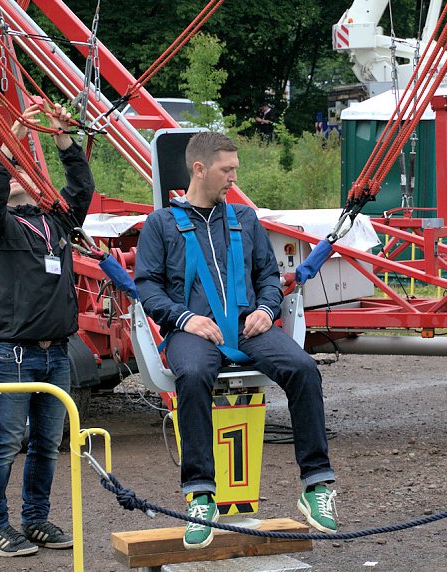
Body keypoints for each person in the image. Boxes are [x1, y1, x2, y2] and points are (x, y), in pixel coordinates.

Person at [134, 131, 337, 549]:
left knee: (303, 368)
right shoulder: (161, 224)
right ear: (199, 169)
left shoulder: (244, 220)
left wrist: (266, 309)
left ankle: (316, 484)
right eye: (227, 170)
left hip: (249, 326)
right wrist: (185, 318)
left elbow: (268, 275)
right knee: (192, 374)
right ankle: (201, 496)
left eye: (235, 169)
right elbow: (148, 287)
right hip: (192, 330)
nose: (234, 177)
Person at [0, 103, 94, 556]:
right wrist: (10, 142)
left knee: (46, 443)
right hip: (13, 354)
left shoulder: (56, 221)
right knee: (5, 442)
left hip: (55, 352)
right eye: (13, 171)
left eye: (26, 168)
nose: (22, 173)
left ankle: (36, 519)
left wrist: (63, 136)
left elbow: (82, 189)